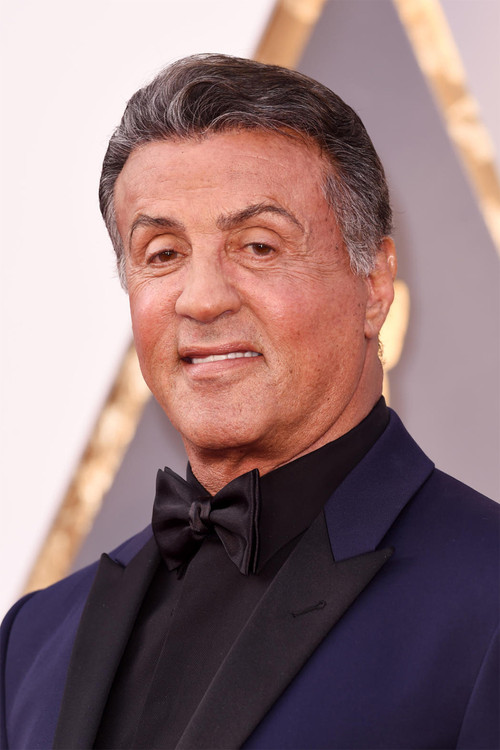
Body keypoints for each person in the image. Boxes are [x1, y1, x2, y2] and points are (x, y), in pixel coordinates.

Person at [1, 54, 498, 750]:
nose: (202, 299)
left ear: (375, 284)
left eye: (258, 246)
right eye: (163, 253)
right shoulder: (32, 640)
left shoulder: (487, 596)